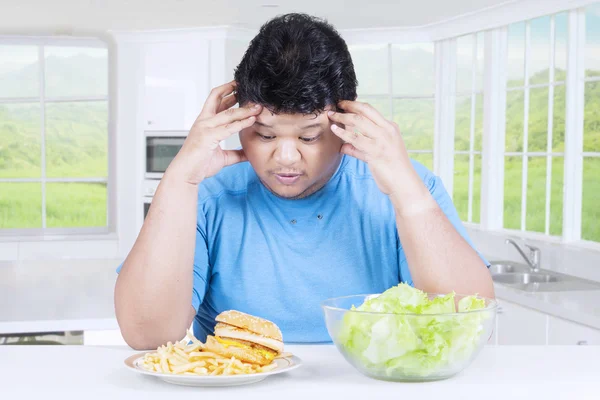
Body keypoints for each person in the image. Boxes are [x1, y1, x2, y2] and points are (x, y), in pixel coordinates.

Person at [114, 13, 494, 350]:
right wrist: (179, 180)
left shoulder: (406, 187)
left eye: (309, 137)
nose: (285, 157)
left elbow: (470, 323)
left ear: (348, 121)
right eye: (264, 135)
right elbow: (147, 335)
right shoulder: (209, 195)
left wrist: (410, 197)